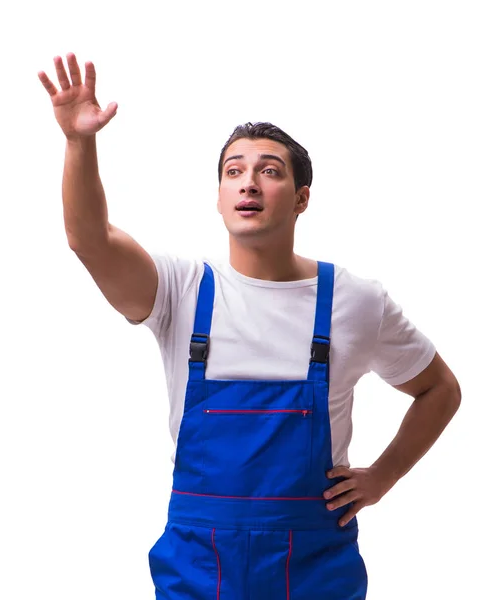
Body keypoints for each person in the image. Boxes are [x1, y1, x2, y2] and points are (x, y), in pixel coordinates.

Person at [38, 53, 462, 599]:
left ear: (301, 198)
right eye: (234, 171)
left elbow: (439, 389)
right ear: (218, 199)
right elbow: (89, 239)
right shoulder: (180, 291)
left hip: (315, 569)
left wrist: (382, 477)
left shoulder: (355, 301)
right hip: (198, 568)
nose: (249, 183)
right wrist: (79, 143)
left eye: (270, 170)